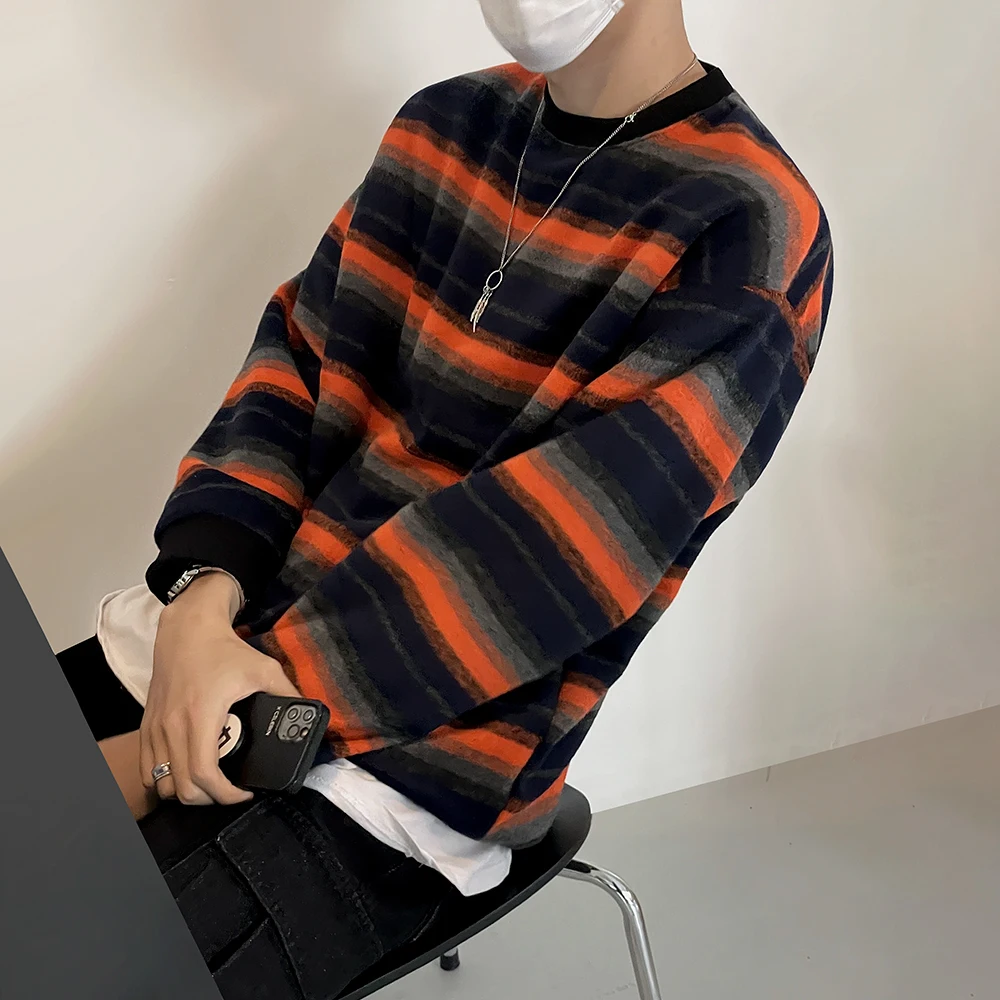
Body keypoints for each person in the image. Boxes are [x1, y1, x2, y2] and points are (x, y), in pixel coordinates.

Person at [56, 0, 834, 996]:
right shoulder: (446, 126)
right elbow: (297, 363)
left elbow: (556, 555)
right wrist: (202, 600)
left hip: (421, 759)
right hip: (217, 644)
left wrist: (169, 751)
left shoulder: (748, 225)